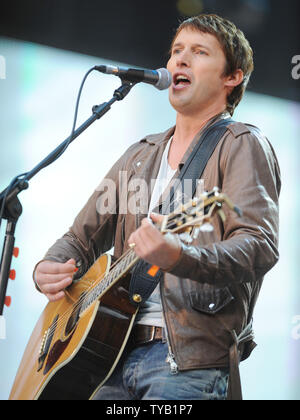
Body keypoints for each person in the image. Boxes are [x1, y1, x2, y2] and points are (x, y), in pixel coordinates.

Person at [33, 14, 281, 400]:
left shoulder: (242, 143)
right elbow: (78, 240)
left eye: (198, 52)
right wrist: (46, 268)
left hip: (185, 363)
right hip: (109, 356)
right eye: (177, 51)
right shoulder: (139, 154)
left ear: (232, 77)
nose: (180, 60)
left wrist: (178, 256)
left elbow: (258, 245)